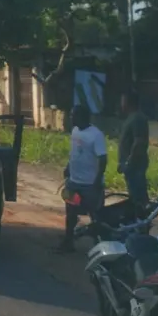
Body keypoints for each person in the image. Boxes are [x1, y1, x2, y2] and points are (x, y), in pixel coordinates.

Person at [58, 105, 107, 252]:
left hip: (89, 184)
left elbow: (103, 159)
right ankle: (68, 242)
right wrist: (68, 167)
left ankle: (98, 246)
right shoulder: (75, 131)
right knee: (70, 213)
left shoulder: (96, 135)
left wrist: (97, 181)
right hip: (74, 182)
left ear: (83, 117)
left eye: (74, 115)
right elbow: (75, 152)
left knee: (95, 215)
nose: (71, 118)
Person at [118, 89, 151, 208]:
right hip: (131, 166)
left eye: (123, 100)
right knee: (134, 195)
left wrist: (128, 162)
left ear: (129, 102)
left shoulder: (137, 118)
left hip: (135, 165)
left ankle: (141, 220)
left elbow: (139, 142)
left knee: (138, 196)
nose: (121, 104)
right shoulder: (131, 117)